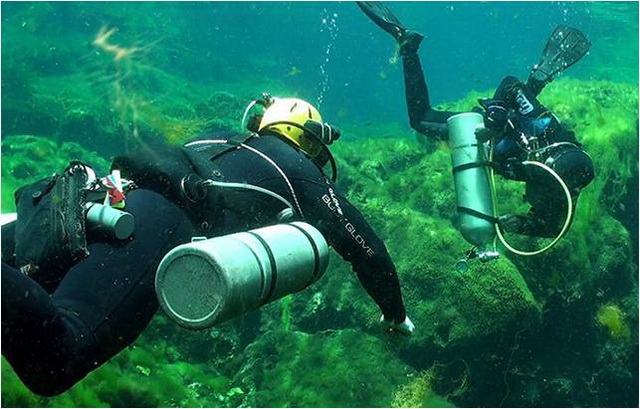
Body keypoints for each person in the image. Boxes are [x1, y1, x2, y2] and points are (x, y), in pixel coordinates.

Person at [1, 95, 414, 396]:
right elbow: (367, 249)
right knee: (57, 358)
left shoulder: (216, 139)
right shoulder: (299, 169)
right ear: (308, 141)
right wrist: (395, 314)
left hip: (96, 201)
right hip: (156, 224)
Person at [357, 1, 595, 238]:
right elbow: (510, 84)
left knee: (427, 120)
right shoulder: (544, 129)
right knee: (421, 119)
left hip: (494, 142)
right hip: (483, 130)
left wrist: (521, 224)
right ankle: (408, 47)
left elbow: (553, 229)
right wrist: (493, 122)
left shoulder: (563, 189)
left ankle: (534, 84)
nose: (531, 199)